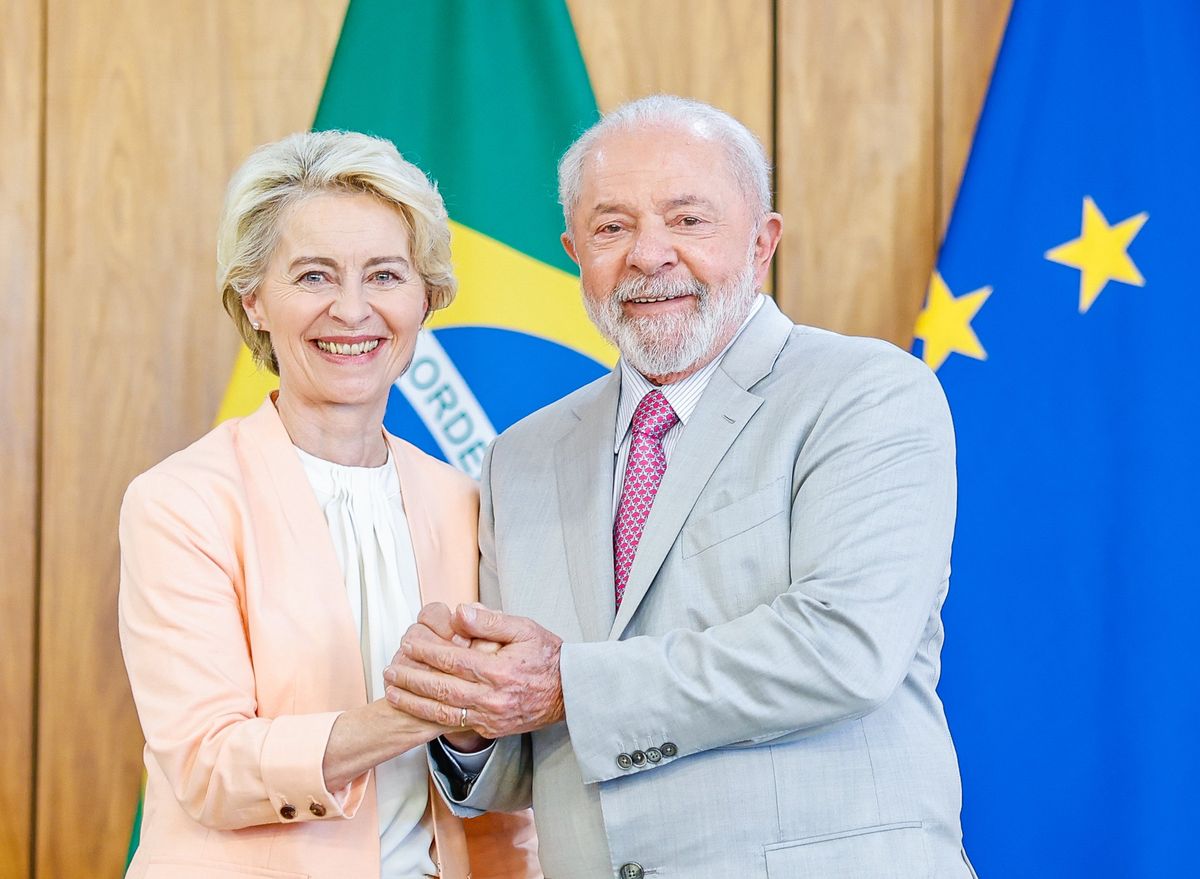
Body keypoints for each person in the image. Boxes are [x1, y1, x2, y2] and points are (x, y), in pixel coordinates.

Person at [384, 96, 977, 878]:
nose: (648, 254)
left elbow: (845, 647)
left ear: (763, 242)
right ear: (574, 253)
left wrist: (564, 682)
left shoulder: (866, 393)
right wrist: (469, 717)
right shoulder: (519, 458)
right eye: (611, 227)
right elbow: (536, 756)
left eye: (688, 220)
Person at [117, 131, 538, 879]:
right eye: (314, 276)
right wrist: (408, 714)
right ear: (254, 299)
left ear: (425, 298)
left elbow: (498, 769)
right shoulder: (180, 502)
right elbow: (209, 763)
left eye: (384, 274)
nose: (353, 309)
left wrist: (474, 731)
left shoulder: (465, 501)